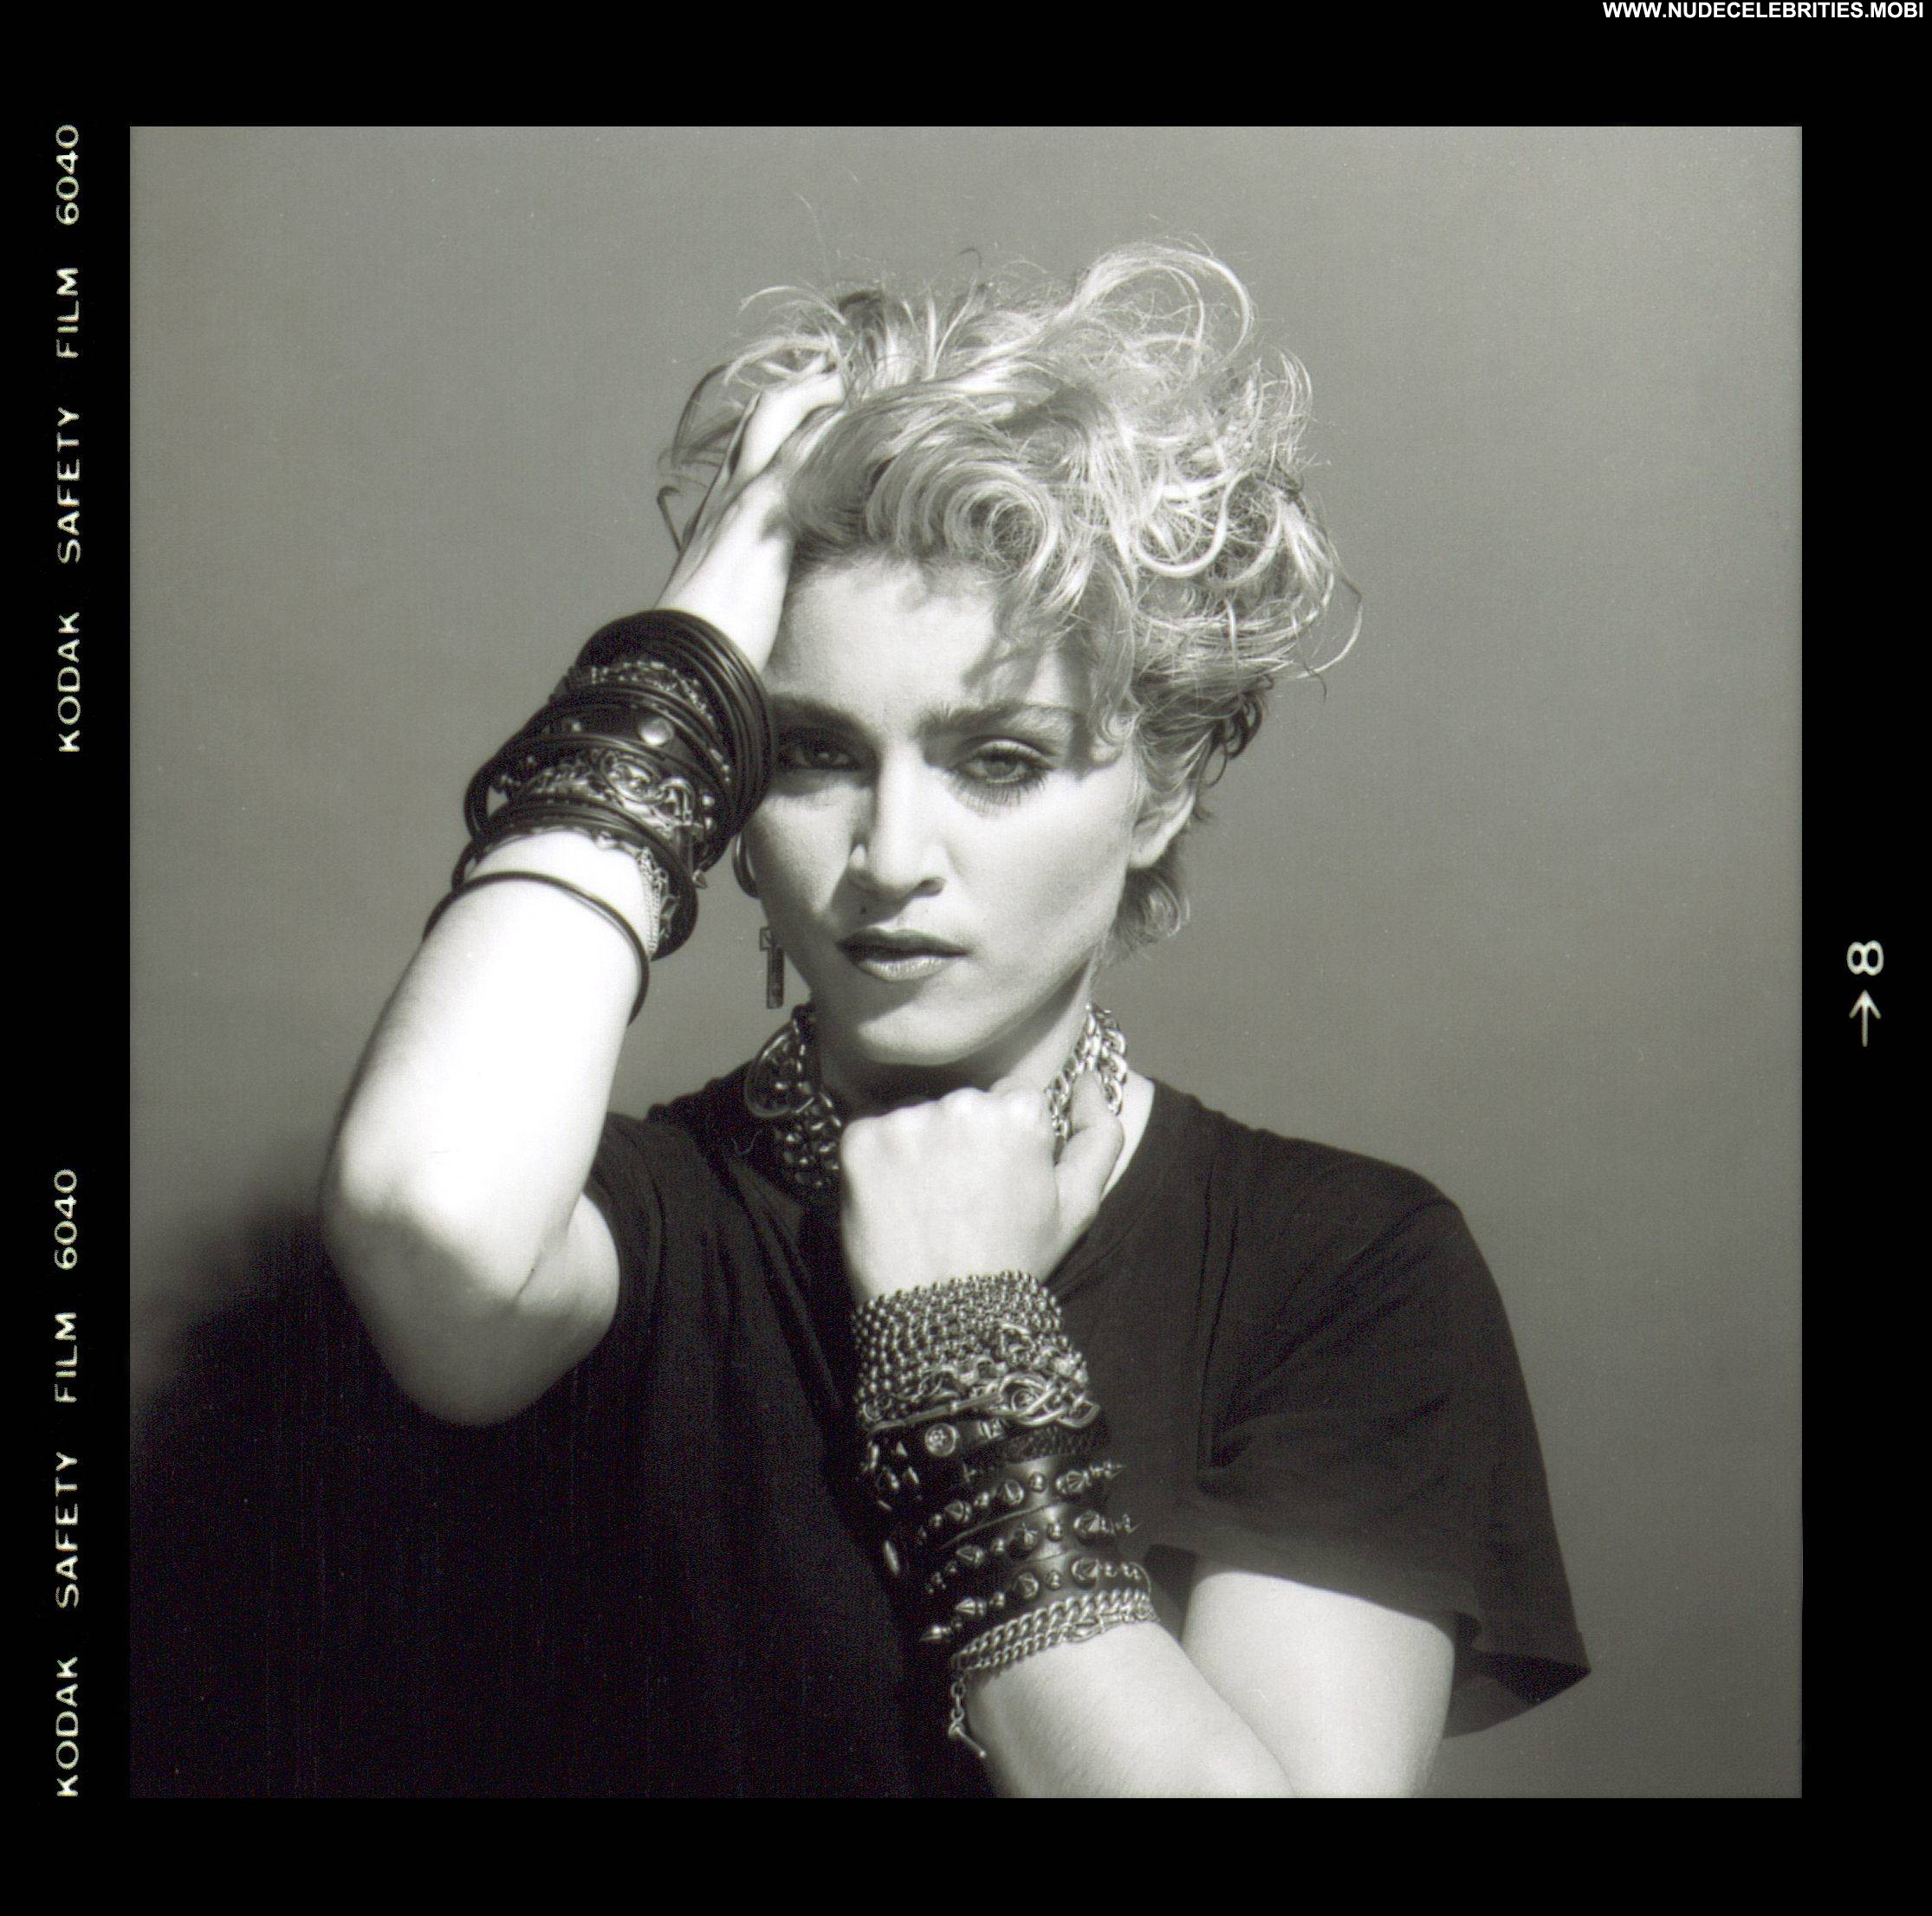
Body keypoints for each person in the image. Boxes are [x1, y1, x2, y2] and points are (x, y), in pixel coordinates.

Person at [320, 244, 1588, 1797]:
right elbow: (423, 1213)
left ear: (1160, 789)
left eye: (997, 759)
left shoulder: (1342, 1268)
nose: (891, 856)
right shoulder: (622, 1226)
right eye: (810, 754)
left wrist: (963, 1351)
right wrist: (694, 641)